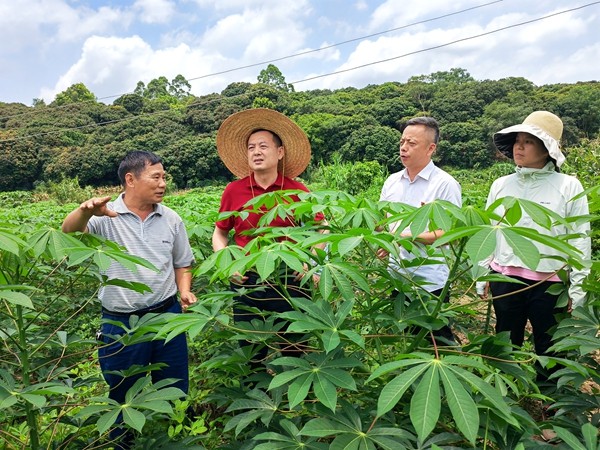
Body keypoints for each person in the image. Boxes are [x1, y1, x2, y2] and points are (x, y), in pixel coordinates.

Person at [62, 150, 196, 448]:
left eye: (165, 177)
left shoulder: (171, 218)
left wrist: (184, 289)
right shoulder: (103, 217)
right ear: (130, 179)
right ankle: (124, 442)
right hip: (120, 322)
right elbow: (68, 233)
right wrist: (85, 211)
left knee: (174, 388)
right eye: (156, 177)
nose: (163, 184)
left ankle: (176, 439)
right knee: (123, 392)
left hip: (167, 316)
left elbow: (182, 263)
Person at [212, 108, 323, 372]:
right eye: (251, 147)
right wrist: (227, 263)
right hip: (247, 277)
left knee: (295, 345)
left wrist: (313, 263)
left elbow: (322, 227)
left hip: (291, 276)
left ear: (280, 152)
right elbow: (220, 232)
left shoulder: (297, 190)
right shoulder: (234, 190)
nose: (256, 152)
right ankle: (257, 396)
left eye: (263, 146)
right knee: (253, 349)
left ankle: (299, 400)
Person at [477, 111, 591, 367]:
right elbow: (490, 230)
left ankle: (550, 401)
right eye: (517, 140)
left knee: (550, 347)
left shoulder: (569, 186)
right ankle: (504, 390)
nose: (519, 146)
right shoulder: (501, 185)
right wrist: (482, 273)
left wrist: (577, 286)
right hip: (504, 277)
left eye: (528, 141)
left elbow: (580, 239)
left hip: (550, 282)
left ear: (547, 148)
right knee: (505, 342)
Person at [378, 116, 462, 345]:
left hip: (429, 280)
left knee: (436, 341)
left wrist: (404, 237)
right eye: (402, 142)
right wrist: (383, 241)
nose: (404, 148)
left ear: (431, 148)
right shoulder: (392, 182)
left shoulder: (445, 184)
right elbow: (385, 223)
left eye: (412, 143)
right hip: (397, 275)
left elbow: (448, 234)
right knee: (403, 340)